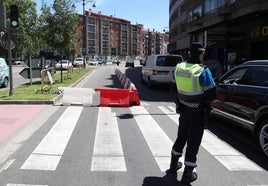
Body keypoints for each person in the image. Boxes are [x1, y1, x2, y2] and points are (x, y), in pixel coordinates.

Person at [166, 42, 216, 185]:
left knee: (181, 137)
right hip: (197, 112)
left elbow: (173, 86)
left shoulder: (178, 67)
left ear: (188, 54)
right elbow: (212, 94)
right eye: (202, 54)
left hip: (183, 109)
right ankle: (188, 174)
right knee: (193, 143)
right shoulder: (202, 70)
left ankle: (173, 166)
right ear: (201, 54)